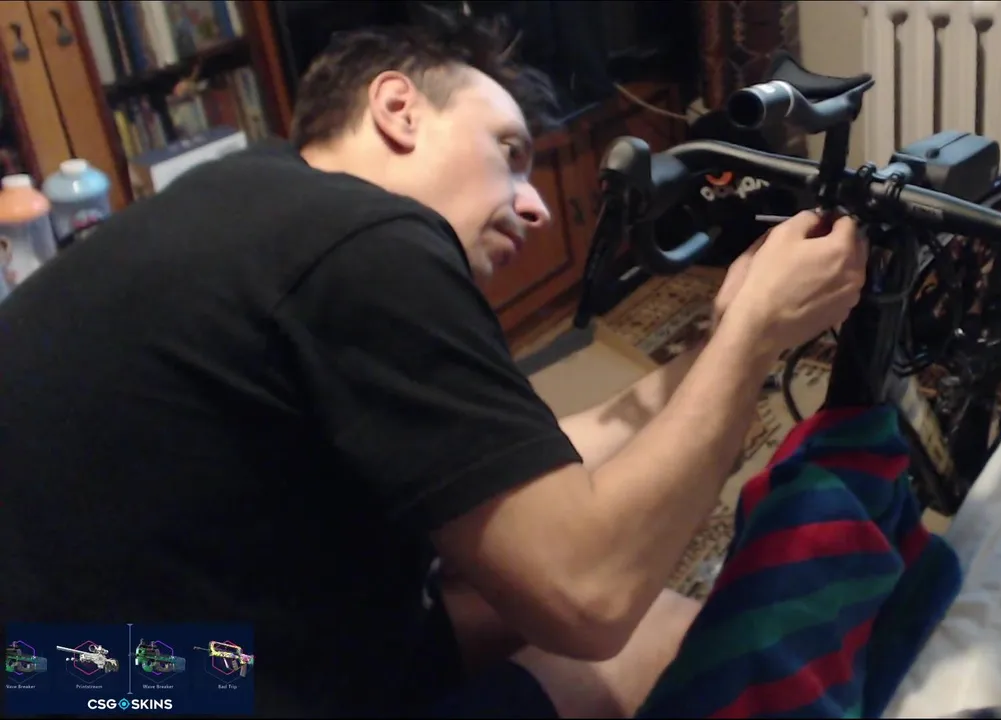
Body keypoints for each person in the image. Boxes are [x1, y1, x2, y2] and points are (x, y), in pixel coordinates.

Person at [0, 12, 868, 719]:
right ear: (399, 109)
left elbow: (509, 471)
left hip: (70, 669)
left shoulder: (254, 202)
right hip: (151, 683)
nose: (534, 205)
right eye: (510, 152)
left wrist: (721, 342)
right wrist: (755, 339)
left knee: (480, 581)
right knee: (656, 634)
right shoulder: (364, 238)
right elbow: (591, 597)